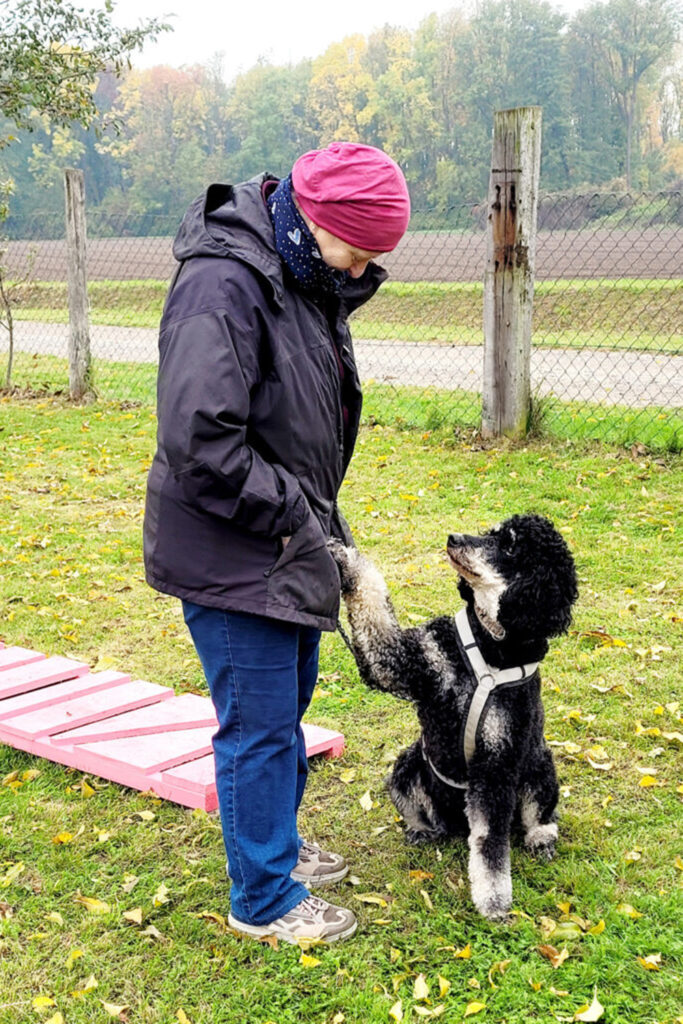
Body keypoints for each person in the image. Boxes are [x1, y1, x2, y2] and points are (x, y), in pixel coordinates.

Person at [143, 141, 410, 944]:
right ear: (315, 220)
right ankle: (261, 899)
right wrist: (296, 515)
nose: (363, 268)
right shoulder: (225, 283)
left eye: (376, 255)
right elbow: (202, 443)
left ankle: (277, 850)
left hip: (281, 536)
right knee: (257, 725)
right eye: (357, 248)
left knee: (285, 706)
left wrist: (313, 522)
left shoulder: (301, 274)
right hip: (230, 543)